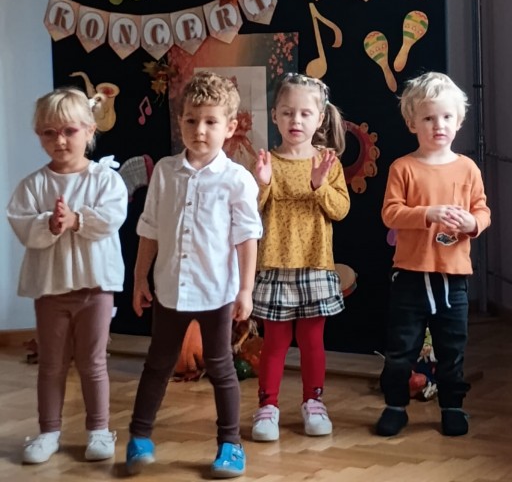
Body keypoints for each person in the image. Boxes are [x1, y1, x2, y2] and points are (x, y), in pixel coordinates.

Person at [125, 71, 262, 479]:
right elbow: (149, 229)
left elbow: (247, 238)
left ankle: (230, 445)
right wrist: (140, 279)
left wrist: (246, 290)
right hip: (169, 289)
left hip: (216, 292)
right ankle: (139, 437)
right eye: (191, 120)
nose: (199, 130)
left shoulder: (237, 179)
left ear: (230, 127)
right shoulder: (165, 172)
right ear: (180, 121)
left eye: (210, 121)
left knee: (221, 367)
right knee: (158, 364)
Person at [7, 87, 128, 464]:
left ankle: (99, 430)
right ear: (39, 135)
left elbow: (112, 218)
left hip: (95, 288)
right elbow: (22, 224)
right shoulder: (33, 185)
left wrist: (76, 220)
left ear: (90, 131)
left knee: (93, 362)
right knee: (51, 364)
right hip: (51, 290)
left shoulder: (105, 179)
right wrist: (49, 223)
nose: (59, 140)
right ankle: (48, 432)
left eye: (69, 131)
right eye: (49, 132)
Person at [377, 72, 491, 438]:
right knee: (401, 349)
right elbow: (391, 213)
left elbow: (482, 211)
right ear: (413, 123)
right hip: (410, 274)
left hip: (453, 276)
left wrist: (472, 223)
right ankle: (395, 407)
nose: (438, 125)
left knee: (452, 347)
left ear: (458, 121)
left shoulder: (468, 168)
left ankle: (452, 406)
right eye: (428, 118)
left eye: (445, 117)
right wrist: (428, 214)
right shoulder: (403, 167)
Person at [251, 72, 350, 442]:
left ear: (319, 118)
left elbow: (340, 209)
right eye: (288, 112)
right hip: (275, 266)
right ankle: (267, 407)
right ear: (275, 115)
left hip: (315, 264)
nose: (296, 120)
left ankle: (313, 403)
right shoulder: (268, 161)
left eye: (305, 113)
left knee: (312, 342)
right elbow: (252, 210)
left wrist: (319, 185)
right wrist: (261, 183)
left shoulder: (328, 162)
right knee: (275, 343)